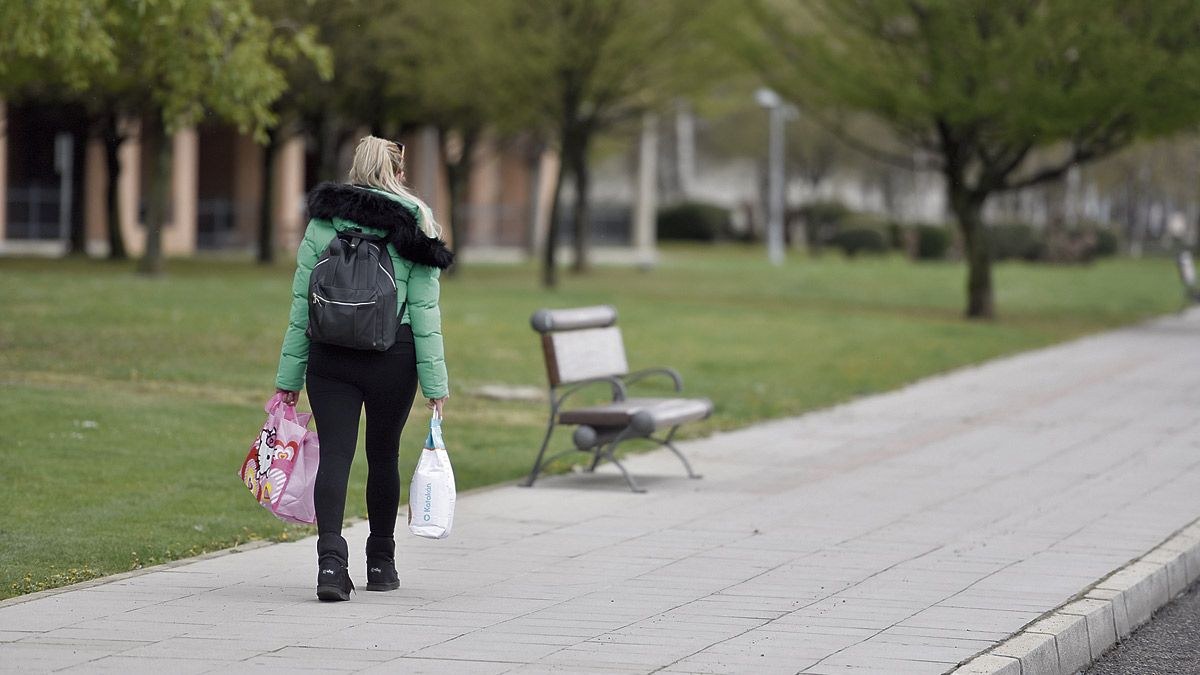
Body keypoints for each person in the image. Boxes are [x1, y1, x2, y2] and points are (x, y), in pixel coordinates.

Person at [274, 136, 453, 601]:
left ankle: (331, 566)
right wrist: (436, 385)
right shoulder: (417, 223)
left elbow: (301, 305)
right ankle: (381, 562)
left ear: (355, 166)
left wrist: (288, 380)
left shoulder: (322, 221)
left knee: (335, 455)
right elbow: (425, 311)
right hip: (393, 354)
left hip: (328, 354)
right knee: (383, 455)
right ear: (399, 170)